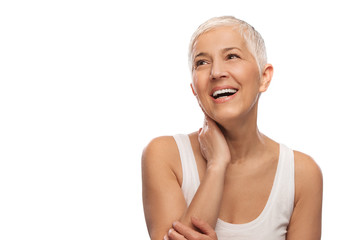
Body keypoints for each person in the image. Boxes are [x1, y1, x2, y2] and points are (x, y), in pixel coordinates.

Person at [142, 16, 323, 240]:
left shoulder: (301, 174)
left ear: (264, 78)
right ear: (193, 88)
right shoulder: (164, 156)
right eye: (202, 62)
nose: (216, 72)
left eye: (232, 56)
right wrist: (217, 165)